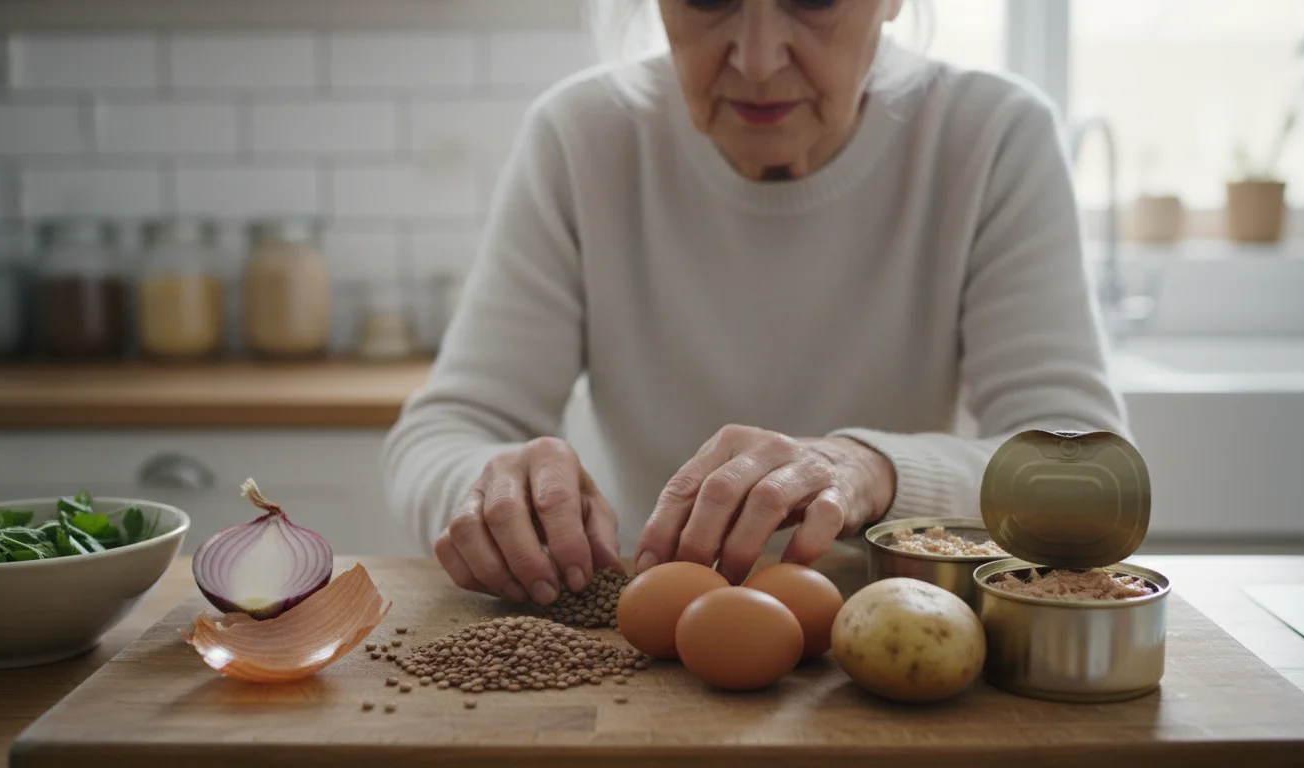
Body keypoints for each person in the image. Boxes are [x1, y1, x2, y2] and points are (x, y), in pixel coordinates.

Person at [382, 0, 1128, 606]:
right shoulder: (583, 138)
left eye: (813, 1)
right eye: (709, 1)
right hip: (646, 638)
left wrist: (869, 469)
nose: (759, 58)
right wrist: (490, 492)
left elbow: (1089, 479)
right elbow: (447, 432)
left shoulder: (992, 137)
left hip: (906, 629)